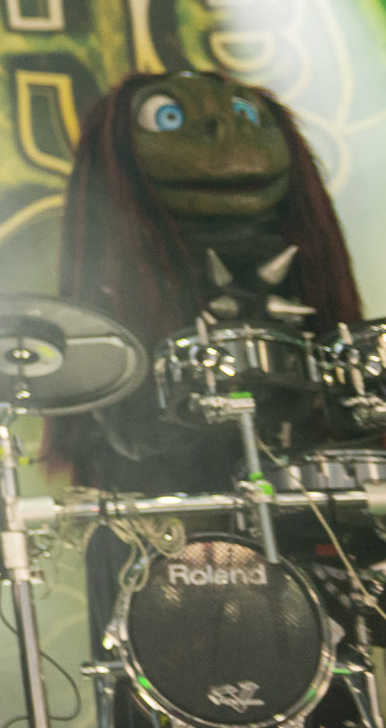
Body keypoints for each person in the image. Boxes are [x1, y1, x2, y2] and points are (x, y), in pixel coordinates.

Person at [52, 70, 370, 726]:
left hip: (300, 526)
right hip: (167, 536)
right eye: (168, 119)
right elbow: (119, 432)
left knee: (318, 679)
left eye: (247, 118)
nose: (219, 130)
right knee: (176, 683)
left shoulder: (305, 276)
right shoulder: (111, 298)